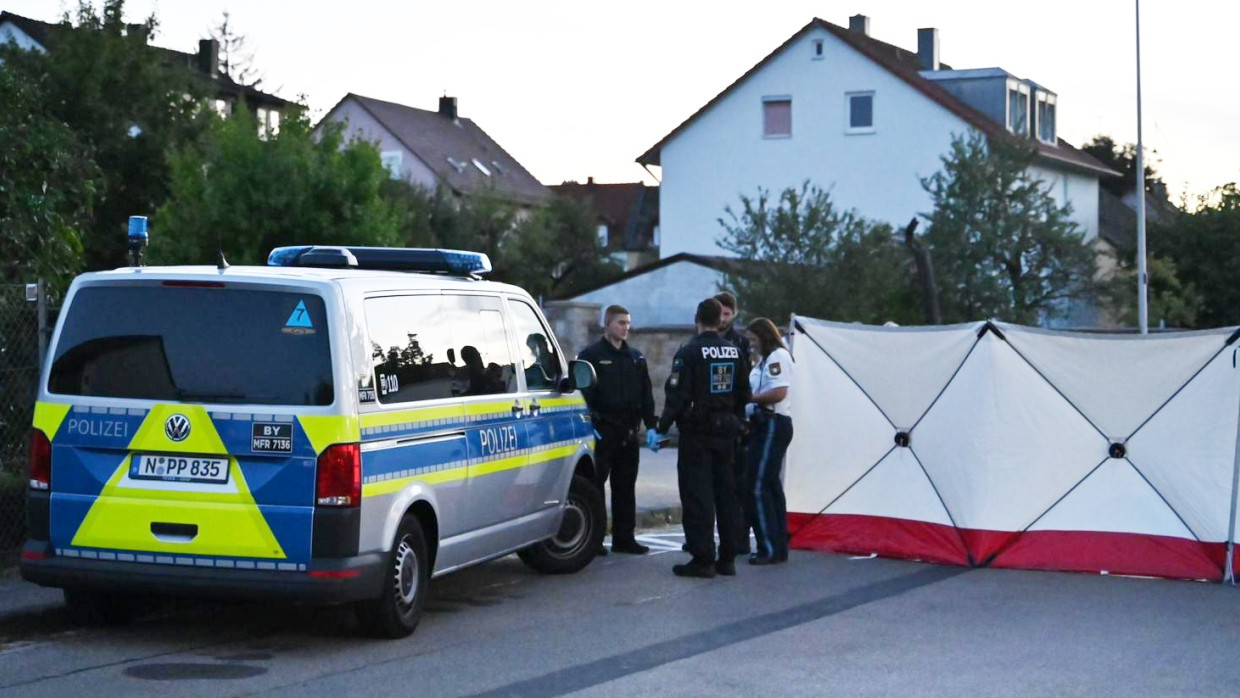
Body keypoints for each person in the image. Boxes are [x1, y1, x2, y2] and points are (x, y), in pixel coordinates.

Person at [650, 298, 750, 578]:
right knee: (727, 495)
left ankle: (703, 558)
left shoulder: (690, 352)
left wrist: (661, 427)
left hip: (698, 434)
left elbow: (677, 396)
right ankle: (728, 557)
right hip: (727, 432)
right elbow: (744, 393)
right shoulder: (734, 351)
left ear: (697, 319)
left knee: (698, 497)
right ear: (720, 320)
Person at [577, 305, 657, 555]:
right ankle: (596, 540)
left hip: (629, 432)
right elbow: (583, 394)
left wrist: (652, 425)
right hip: (603, 431)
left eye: (628, 323)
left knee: (625, 488)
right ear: (608, 324)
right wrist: (590, 424)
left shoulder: (635, 358)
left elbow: (646, 395)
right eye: (621, 323)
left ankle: (625, 538)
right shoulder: (591, 355)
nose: (626, 328)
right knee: (596, 487)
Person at [743, 317, 795, 565]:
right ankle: (778, 543)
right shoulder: (764, 360)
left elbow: (779, 391)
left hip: (773, 423)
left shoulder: (777, 358)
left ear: (764, 337)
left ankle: (769, 547)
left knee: (757, 485)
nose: (752, 346)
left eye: (754, 340)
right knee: (770, 485)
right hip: (764, 423)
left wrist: (750, 399)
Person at [714, 291, 754, 554]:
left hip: (734, 419)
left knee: (738, 484)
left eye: (727, 314)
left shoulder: (739, 342)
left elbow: (744, 382)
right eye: (719, 313)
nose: (722, 319)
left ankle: (739, 538)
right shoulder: (704, 338)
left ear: (734, 315)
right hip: (712, 421)